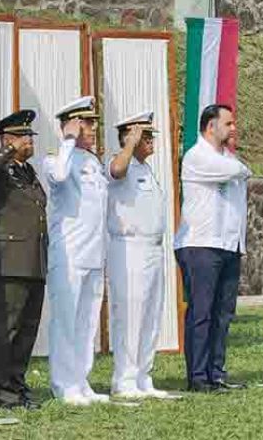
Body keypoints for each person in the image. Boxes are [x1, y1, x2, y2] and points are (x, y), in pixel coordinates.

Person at [174, 104, 252, 393]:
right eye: (228, 124)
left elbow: (240, 172)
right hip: (201, 244)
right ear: (210, 127)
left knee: (223, 313)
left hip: (228, 244)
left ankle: (215, 372)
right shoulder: (197, 157)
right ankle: (197, 376)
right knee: (202, 312)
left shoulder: (226, 157)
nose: (233, 129)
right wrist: (240, 168)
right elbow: (237, 170)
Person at [0, 109, 47, 410]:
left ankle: (17, 386)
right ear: (9, 139)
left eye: (30, 136)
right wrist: (6, 150)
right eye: (25, 137)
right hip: (8, 261)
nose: (31, 142)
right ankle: (2, 393)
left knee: (26, 329)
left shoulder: (26, 171)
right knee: (6, 330)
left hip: (32, 260)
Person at [43, 96, 110, 406]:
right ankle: (63, 384)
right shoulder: (57, 158)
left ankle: (81, 381)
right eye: (86, 122)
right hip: (69, 252)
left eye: (94, 122)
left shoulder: (93, 162)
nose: (93, 128)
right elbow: (57, 175)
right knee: (66, 320)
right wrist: (68, 140)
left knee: (87, 320)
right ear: (70, 125)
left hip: (94, 252)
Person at [106, 111, 176, 400]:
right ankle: (124, 379)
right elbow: (116, 171)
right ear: (130, 137)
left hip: (153, 248)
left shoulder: (146, 168)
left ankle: (143, 376)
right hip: (129, 248)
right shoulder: (120, 163)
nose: (151, 142)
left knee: (150, 314)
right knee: (131, 314)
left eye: (150, 136)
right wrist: (129, 145)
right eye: (145, 136)